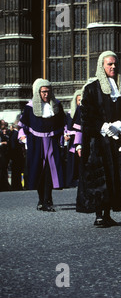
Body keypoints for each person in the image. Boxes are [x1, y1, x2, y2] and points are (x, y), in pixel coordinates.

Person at [76, 51, 121, 227]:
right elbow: (86, 116)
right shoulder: (91, 89)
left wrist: (120, 124)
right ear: (102, 67)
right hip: (99, 142)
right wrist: (102, 127)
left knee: (114, 177)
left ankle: (108, 212)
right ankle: (99, 214)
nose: (113, 67)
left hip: (117, 139)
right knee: (99, 179)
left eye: (115, 64)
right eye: (109, 64)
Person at [18, 79, 66, 211]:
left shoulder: (56, 105)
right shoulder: (30, 107)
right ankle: (41, 200)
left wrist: (63, 138)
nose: (46, 94)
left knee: (50, 173)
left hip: (52, 143)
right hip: (36, 143)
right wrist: (22, 138)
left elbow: (63, 123)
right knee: (39, 171)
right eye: (44, 92)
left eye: (48, 91)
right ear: (38, 92)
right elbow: (23, 126)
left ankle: (48, 199)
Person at [64, 90, 82, 188]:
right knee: (72, 160)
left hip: (81, 137)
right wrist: (65, 134)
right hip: (71, 139)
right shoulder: (70, 113)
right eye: (78, 100)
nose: (80, 102)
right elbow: (65, 126)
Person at [8, 123, 26, 190]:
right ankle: (16, 186)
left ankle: (16, 186)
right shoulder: (15, 134)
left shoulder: (13, 133)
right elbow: (13, 146)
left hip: (15, 156)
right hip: (16, 156)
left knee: (16, 172)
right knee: (17, 172)